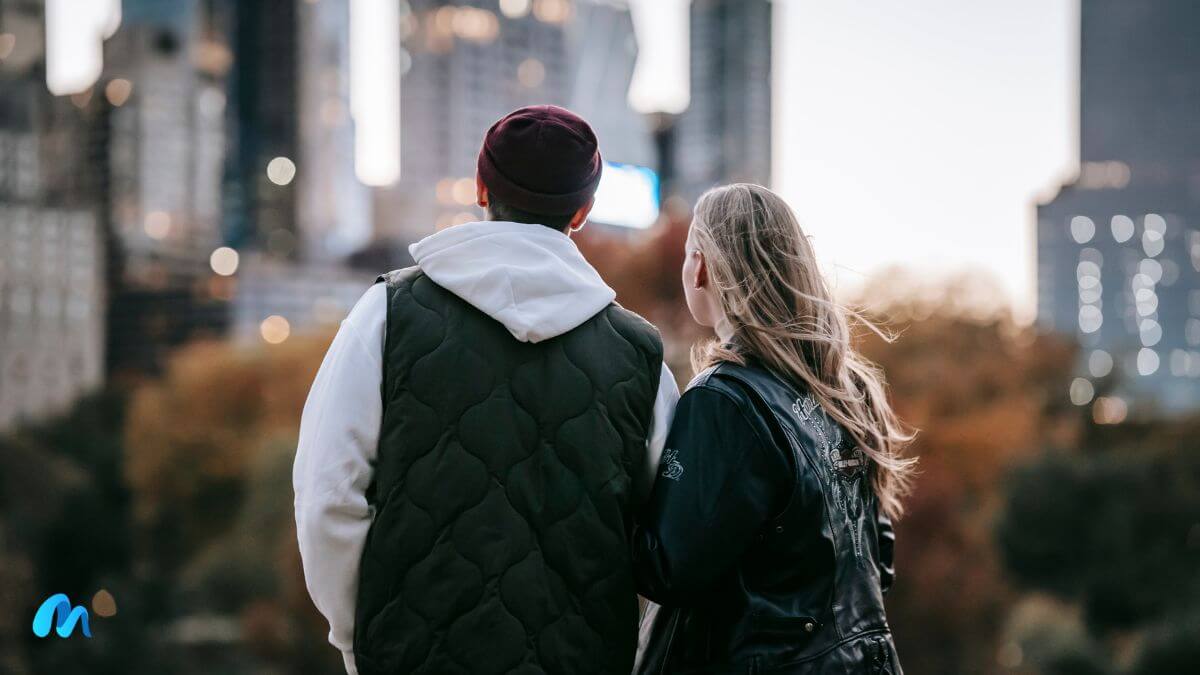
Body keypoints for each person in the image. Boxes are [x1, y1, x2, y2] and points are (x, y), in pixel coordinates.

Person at [293, 105, 679, 675]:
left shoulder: (386, 315)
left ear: (479, 187)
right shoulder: (641, 357)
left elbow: (327, 495)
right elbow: (666, 546)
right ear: (584, 210)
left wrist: (359, 639)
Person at [632, 184, 916, 674]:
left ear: (700, 267)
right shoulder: (850, 390)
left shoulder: (727, 401)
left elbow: (668, 568)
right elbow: (878, 560)